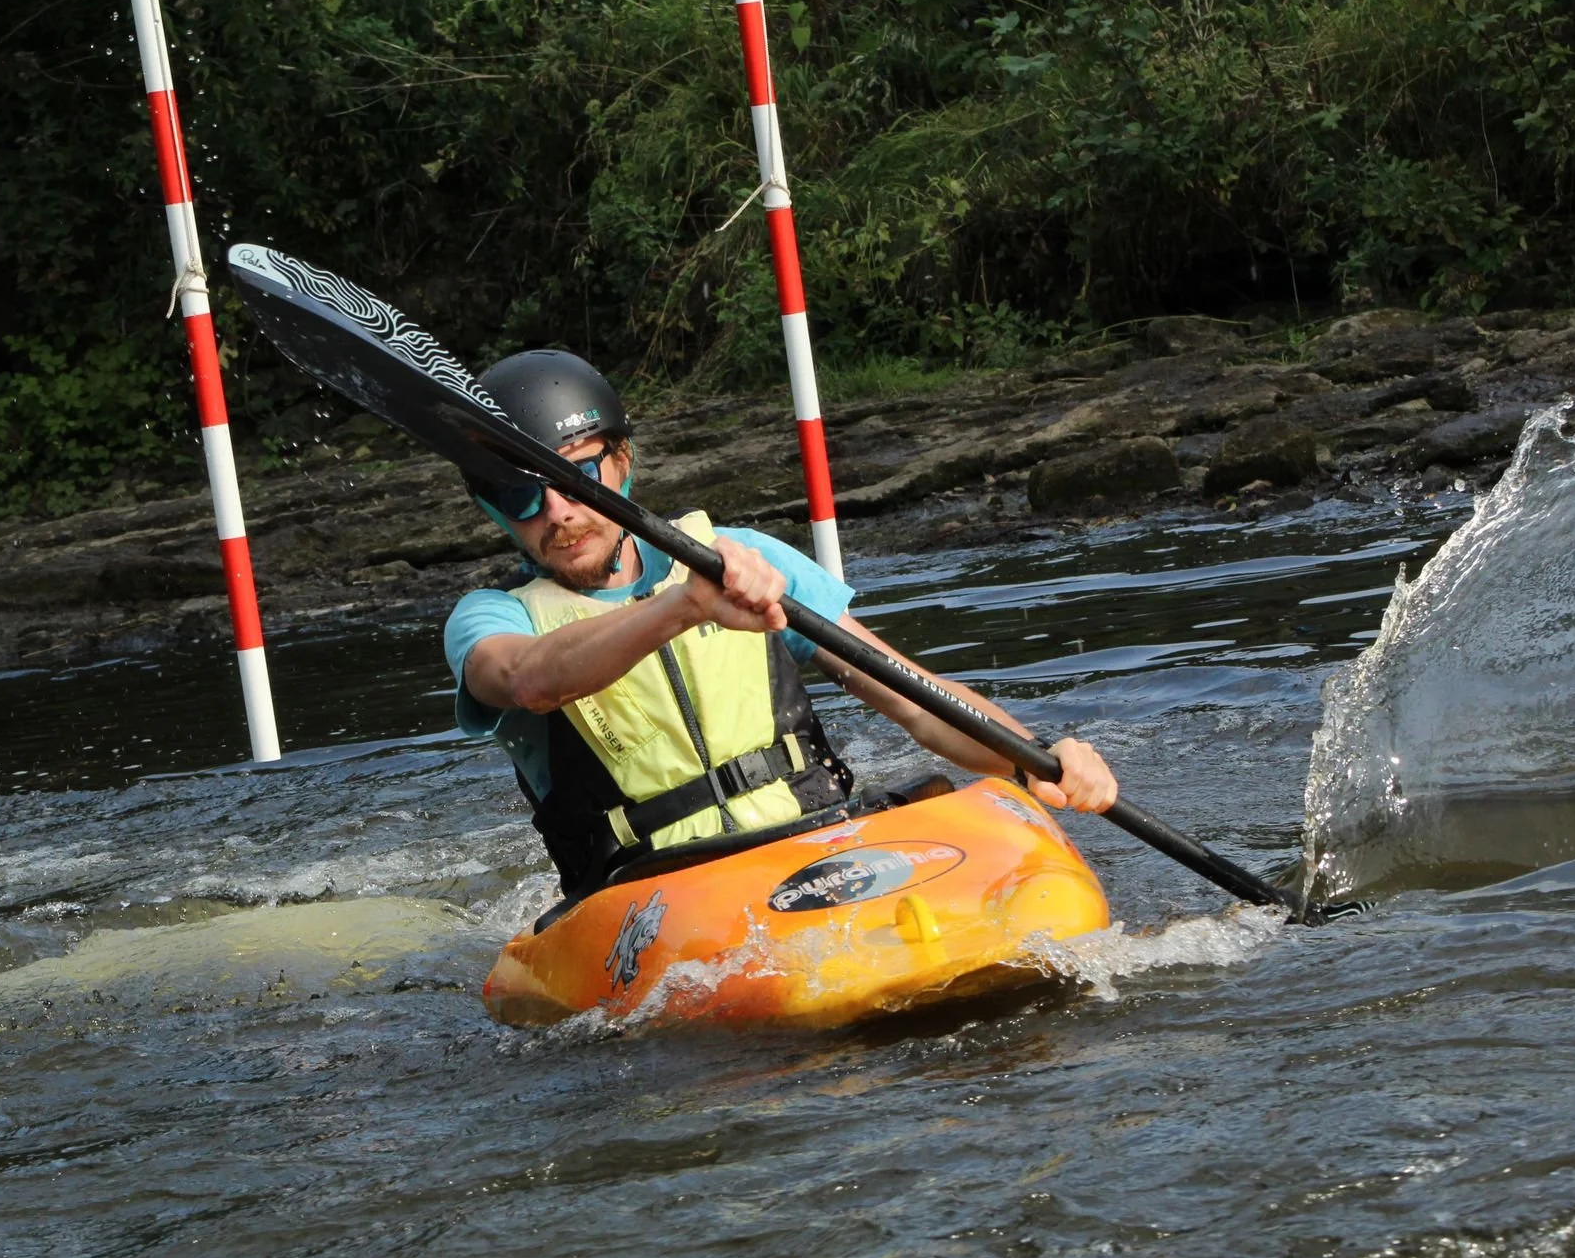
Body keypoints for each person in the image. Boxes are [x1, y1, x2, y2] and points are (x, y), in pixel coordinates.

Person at [444, 349, 1118, 901]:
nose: (558, 512)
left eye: (577, 475)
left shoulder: (741, 558)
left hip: (814, 845)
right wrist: (683, 607)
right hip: (648, 892)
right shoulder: (493, 618)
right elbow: (527, 679)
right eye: (520, 495)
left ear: (621, 461)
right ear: (493, 510)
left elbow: (913, 698)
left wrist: (1036, 759)